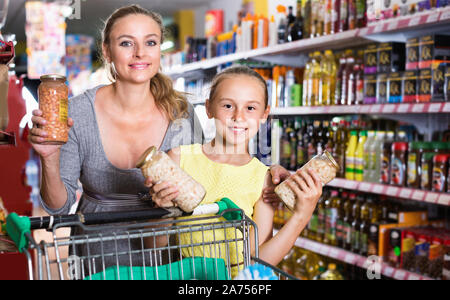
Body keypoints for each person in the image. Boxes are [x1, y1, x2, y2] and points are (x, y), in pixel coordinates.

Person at [29, 5, 206, 273]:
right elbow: (58, 207)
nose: (140, 53)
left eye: (151, 42)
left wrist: (264, 173)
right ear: (107, 51)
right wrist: (50, 159)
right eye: (126, 43)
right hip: (98, 252)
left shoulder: (181, 113)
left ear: (160, 49)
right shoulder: (78, 112)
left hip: (166, 252)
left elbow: (208, 177)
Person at [147, 66, 322, 277]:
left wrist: (301, 216)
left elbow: (257, 260)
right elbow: (153, 245)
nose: (238, 116)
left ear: (265, 114)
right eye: (228, 105)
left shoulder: (263, 178)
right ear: (209, 108)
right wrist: (162, 210)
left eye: (250, 108)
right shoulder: (179, 159)